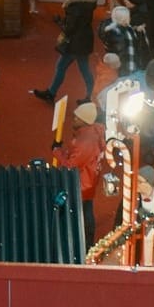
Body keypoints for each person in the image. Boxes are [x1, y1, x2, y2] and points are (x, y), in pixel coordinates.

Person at [37, 0, 98, 102]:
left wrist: (59, 21)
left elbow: (69, 28)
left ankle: (51, 93)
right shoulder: (88, 4)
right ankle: (92, 95)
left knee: (62, 66)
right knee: (84, 69)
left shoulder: (74, 6)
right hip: (84, 40)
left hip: (75, 42)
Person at [59, 102, 106, 244]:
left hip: (81, 184)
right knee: (87, 210)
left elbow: (71, 165)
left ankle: (83, 243)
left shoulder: (85, 141)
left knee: (81, 214)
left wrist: (57, 152)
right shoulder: (96, 132)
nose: (73, 119)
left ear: (84, 120)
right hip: (90, 180)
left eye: (76, 117)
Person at [100, 5, 149, 77]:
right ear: (124, 18)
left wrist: (136, 29)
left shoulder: (124, 29)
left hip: (127, 66)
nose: (130, 18)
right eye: (128, 16)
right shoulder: (119, 32)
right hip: (126, 68)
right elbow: (124, 49)